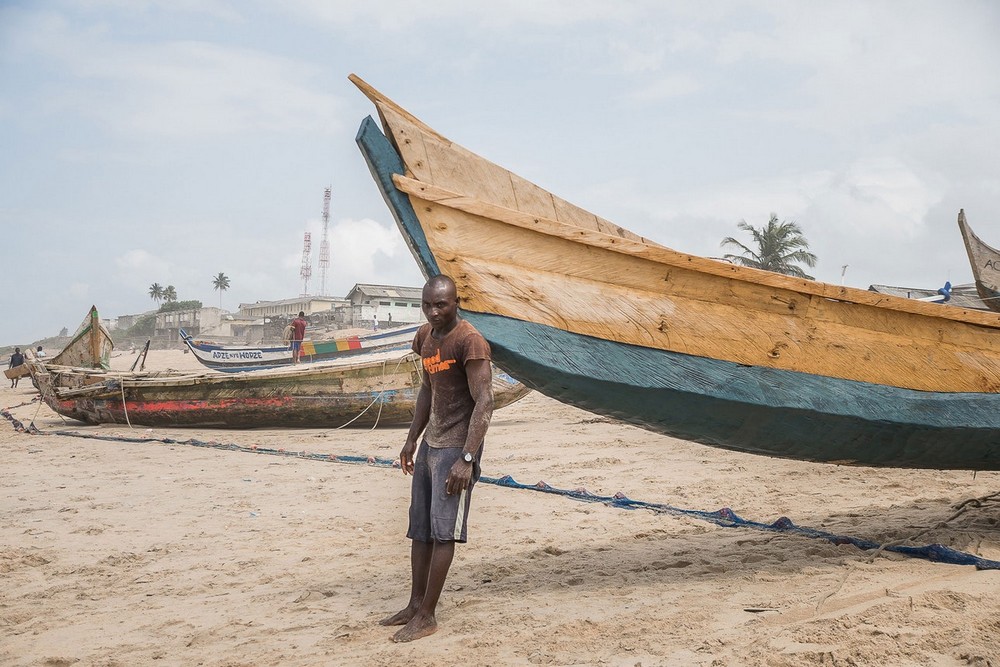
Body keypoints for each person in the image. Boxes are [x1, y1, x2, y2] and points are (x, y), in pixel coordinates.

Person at [380, 274, 494, 643]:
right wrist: (411, 440)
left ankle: (428, 615)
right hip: (431, 444)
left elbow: (485, 402)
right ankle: (414, 605)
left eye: (441, 305)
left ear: (456, 303)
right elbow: (428, 390)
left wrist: (467, 458)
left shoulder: (470, 341)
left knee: (443, 533)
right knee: (420, 531)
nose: (433, 312)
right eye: (427, 305)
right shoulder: (425, 338)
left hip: (456, 449)